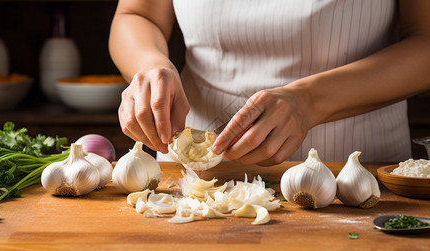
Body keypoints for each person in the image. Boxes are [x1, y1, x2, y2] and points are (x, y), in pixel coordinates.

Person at [109, 0, 430, 166]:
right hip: (198, 175)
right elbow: (137, 14)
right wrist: (150, 64)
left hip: (354, 170)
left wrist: (310, 100)